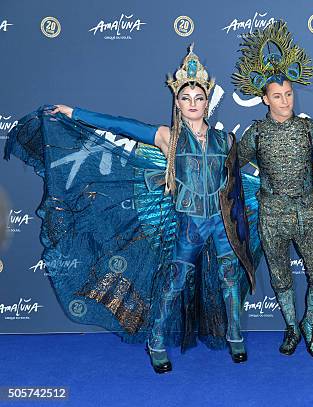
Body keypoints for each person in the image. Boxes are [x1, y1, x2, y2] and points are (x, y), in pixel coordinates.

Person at [5, 46, 255, 373]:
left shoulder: (225, 141)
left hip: (221, 222)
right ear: (177, 103)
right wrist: (73, 113)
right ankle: (156, 340)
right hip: (189, 222)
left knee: (229, 277)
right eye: (186, 98)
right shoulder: (168, 137)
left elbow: (234, 186)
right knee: (174, 281)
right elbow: (120, 125)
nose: (193, 104)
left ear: (207, 102)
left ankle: (235, 333)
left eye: (199, 98)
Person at [233, 21, 313, 358]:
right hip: (271, 216)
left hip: (307, 213)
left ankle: (310, 323)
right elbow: (229, 162)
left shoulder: (308, 128)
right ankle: (292, 327)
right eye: (277, 96)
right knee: (280, 278)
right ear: (265, 99)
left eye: (289, 94)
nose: (285, 100)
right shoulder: (257, 132)